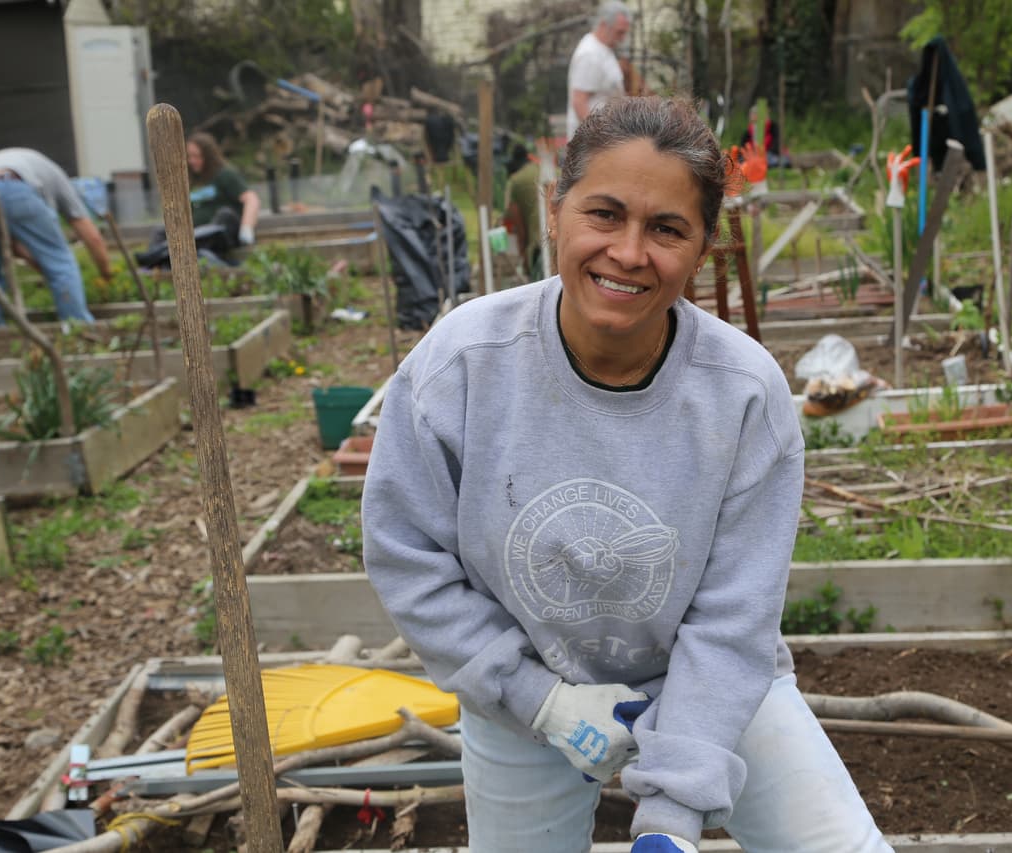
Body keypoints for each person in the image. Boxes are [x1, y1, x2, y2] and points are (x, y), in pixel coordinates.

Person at [361, 96, 892, 853]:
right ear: (556, 211)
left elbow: (733, 620)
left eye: (667, 228)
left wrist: (674, 812)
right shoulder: (463, 367)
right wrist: (540, 702)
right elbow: (408, 560)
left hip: (716, 686)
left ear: (704, 245)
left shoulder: (741, 393)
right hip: (526, 688)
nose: (629, 252)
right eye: (604, 214)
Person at [0, 147, 110, 327]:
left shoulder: (29, 164)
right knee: (61, 263)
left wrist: (41, 264)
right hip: (12, 184)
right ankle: (77, 326)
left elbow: (13, 246)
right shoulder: (59, 179)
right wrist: (106, 274)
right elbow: (92, 236)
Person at [565, 1, 632, 140]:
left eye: (624, 33)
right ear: (603, 25)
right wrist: (599, 138)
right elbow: (579, 102)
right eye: (619, 32)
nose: (622, 38)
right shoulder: (590, 53)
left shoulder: (603, 49)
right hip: (593, 142)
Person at [184, 131, 260, 252]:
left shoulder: (224, 175)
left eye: (196, 156)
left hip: (225, 236)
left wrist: (246, 229)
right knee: (161, 231)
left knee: (224, 215)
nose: (191, 161)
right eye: (189, 156)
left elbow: (251, 199)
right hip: (198, 235)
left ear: (208, 156)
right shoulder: (192, 181)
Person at [502, 143, 543, 280]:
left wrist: (524, 257)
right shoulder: (552, 171)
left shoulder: (516, 181)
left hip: (540, 246)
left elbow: (519, 228)